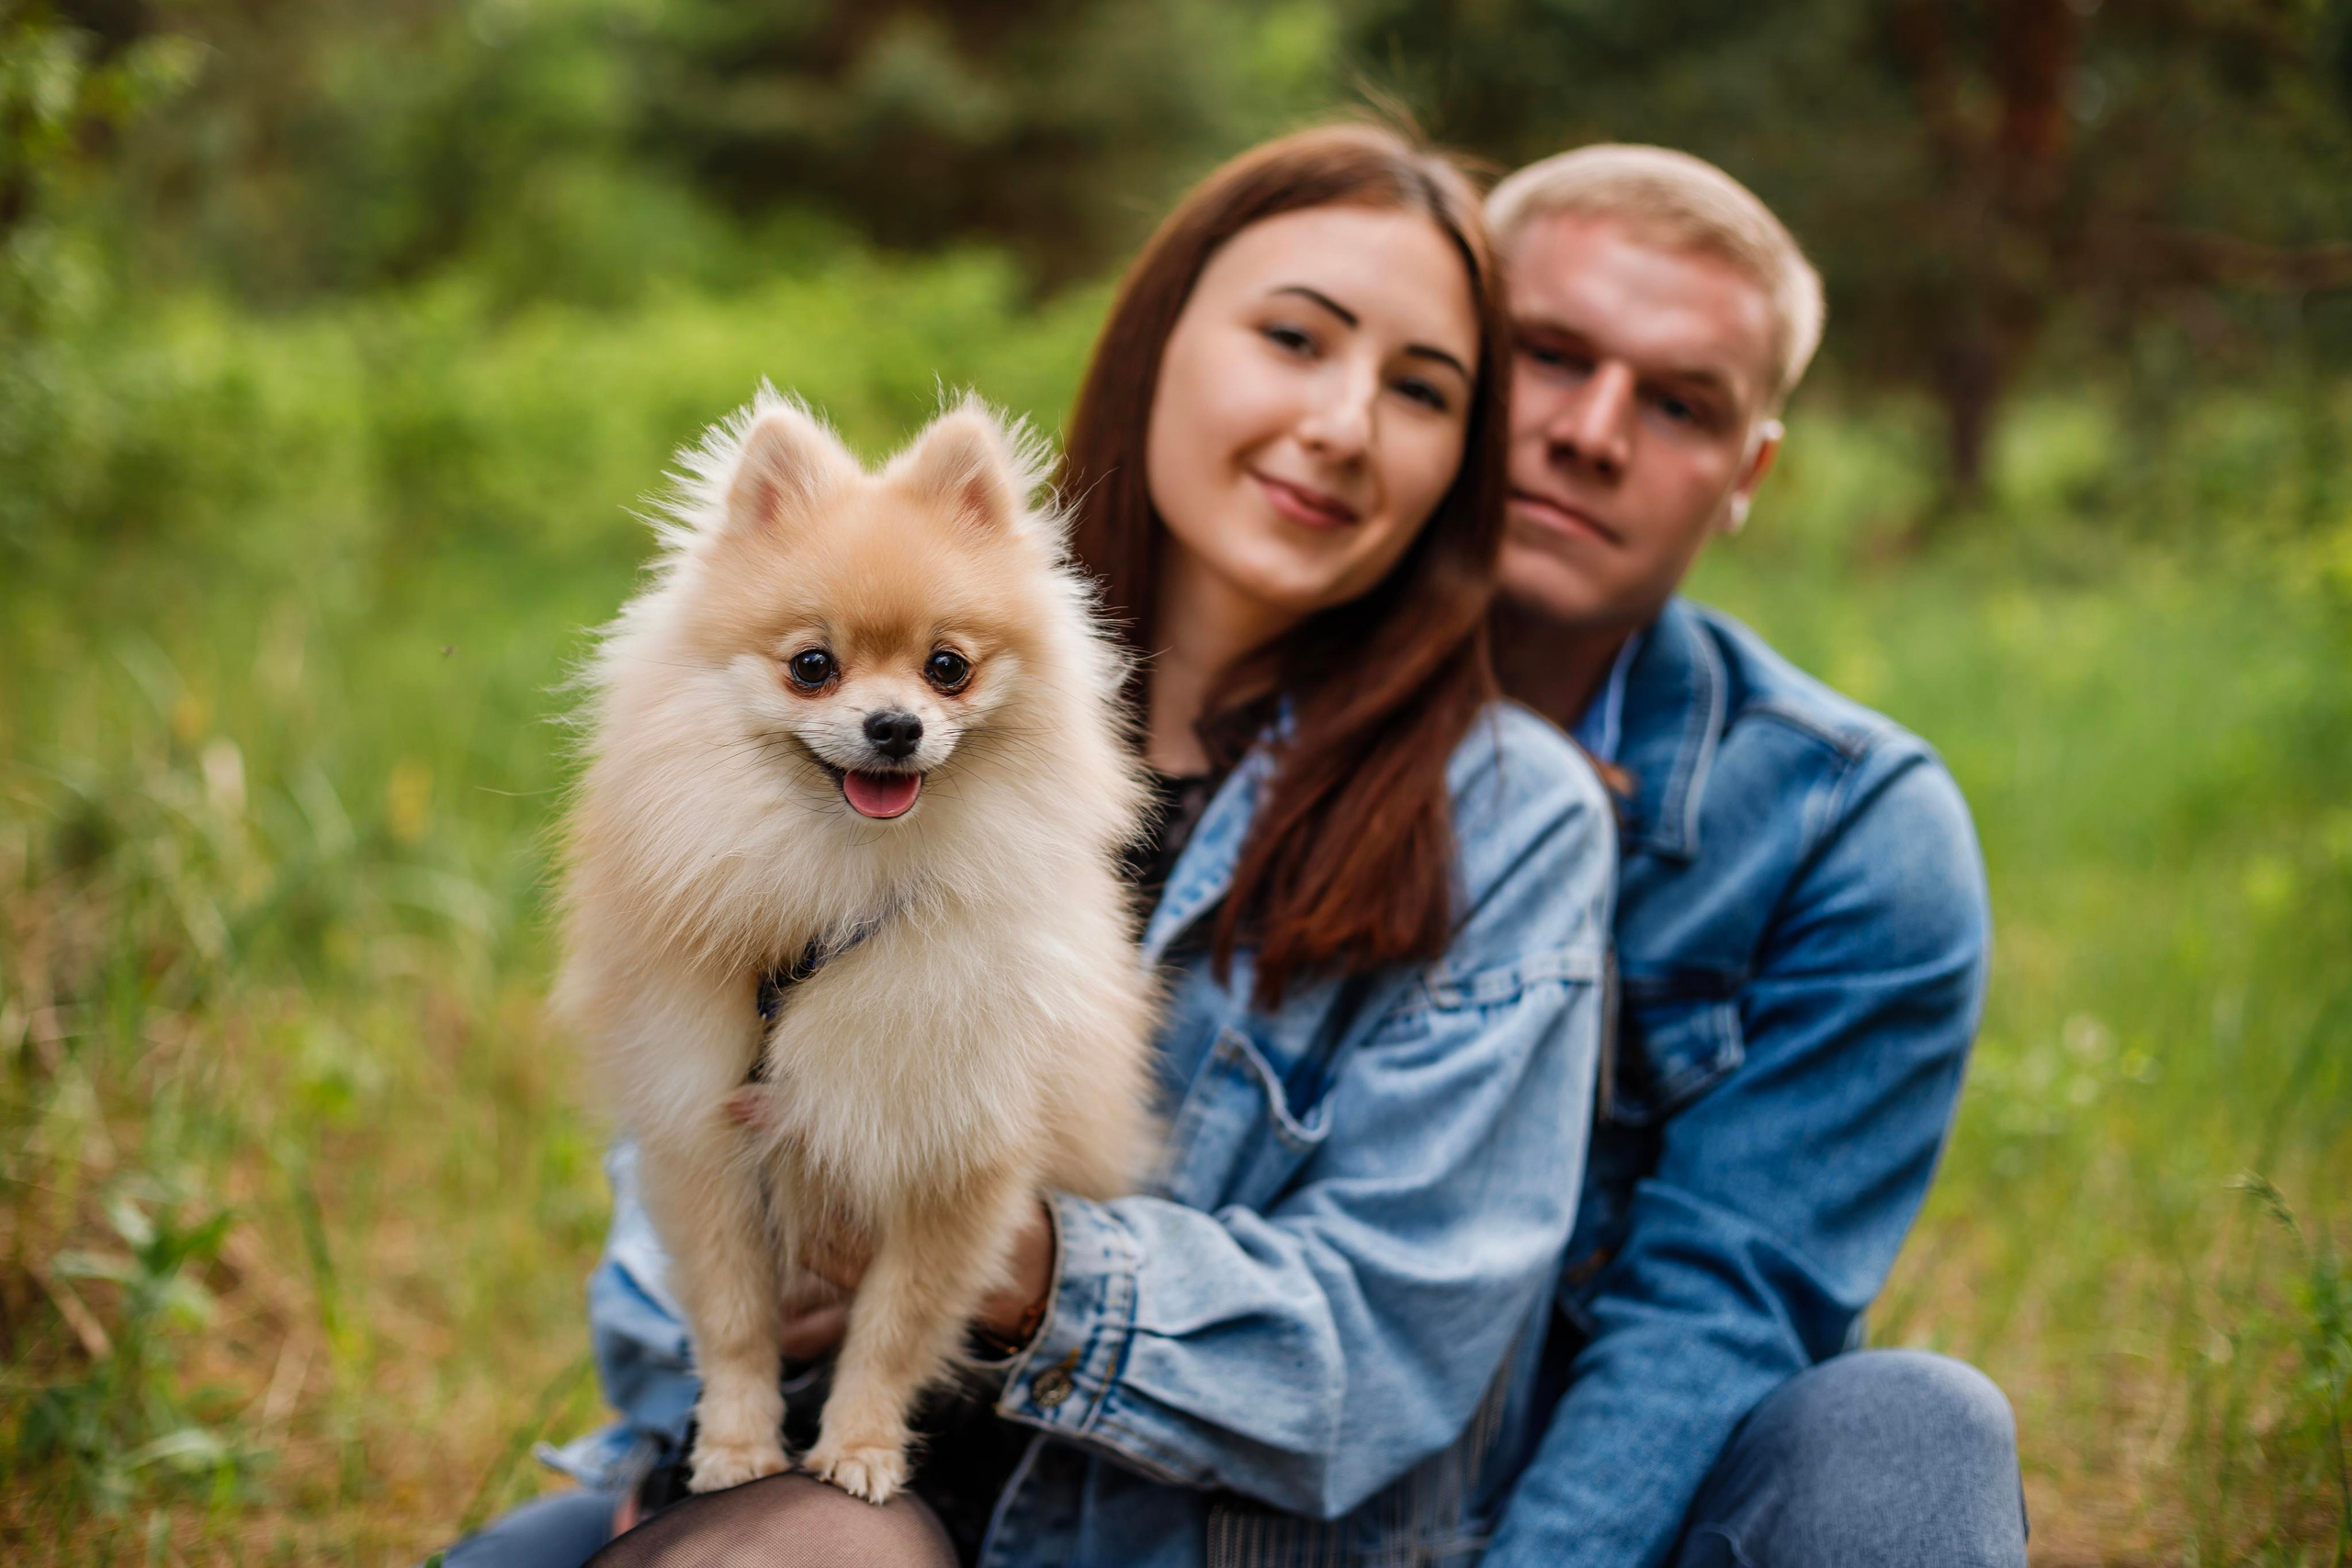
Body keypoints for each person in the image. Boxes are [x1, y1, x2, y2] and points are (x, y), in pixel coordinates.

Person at [436, 123, 1616, 1568]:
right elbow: (652, 1246)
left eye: (1422, 390)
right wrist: (737, 1315)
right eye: (1296, 338)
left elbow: (1399, 1360)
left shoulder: (1505, 820)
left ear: (1463, 462)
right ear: (1158, 338)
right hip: (753, 1484)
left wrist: (1024, 1267)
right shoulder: (795, 694)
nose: (1343, 422)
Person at [1476, 145, 2026, 1567]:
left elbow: (1716, 1312)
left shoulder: (1847, 828)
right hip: (1203, 1461)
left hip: (1597, 1505)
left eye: (1679, 405)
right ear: (1444, 355)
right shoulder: (1175, 698)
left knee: (1913, 1429)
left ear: (1746, 475)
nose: (1594, 433)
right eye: (1547, 355)